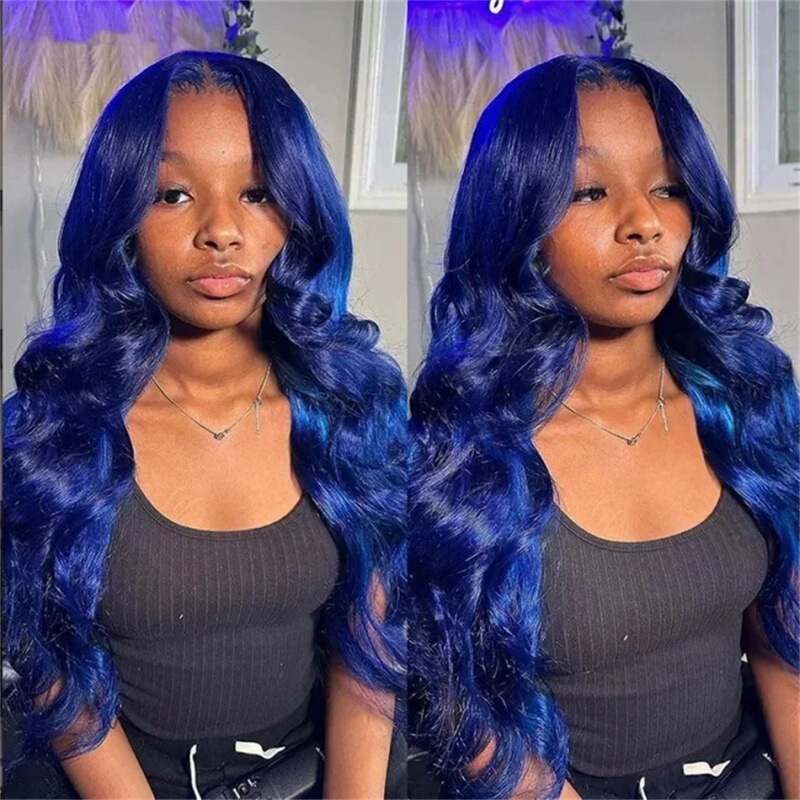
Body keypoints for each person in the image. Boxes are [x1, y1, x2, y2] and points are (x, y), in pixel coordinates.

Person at [3, 50, 406, 799]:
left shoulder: (353, 412)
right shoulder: (51, 432)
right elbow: (49, 658)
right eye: (174, 194)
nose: (221, 230)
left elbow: (370, 650)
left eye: (257, 193)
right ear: (120, 216)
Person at [408, 55, 798, 800]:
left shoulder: (746, 399)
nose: (645, 223)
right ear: (517, 220)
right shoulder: (461, 453)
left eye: (669, 187)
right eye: (590, 191)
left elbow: (787, 639)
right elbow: (467, 708)